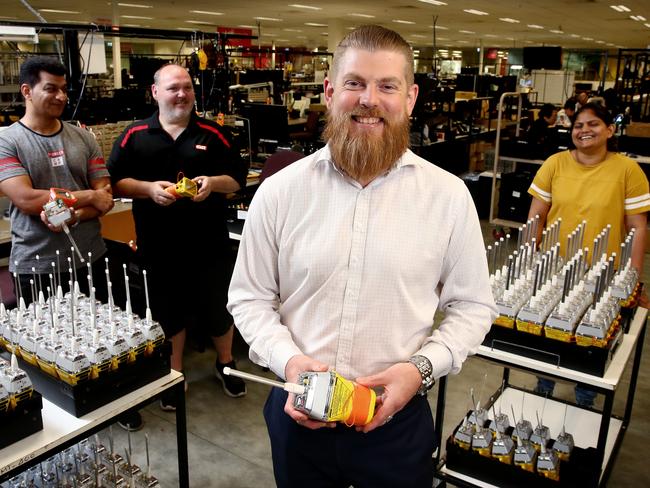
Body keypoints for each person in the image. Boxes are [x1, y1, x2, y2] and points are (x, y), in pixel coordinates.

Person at [228, 25, 497, 488]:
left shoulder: (448, 198)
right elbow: (249, 299)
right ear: (330, 92)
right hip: (299, 415)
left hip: (397, 427)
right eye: (354, 83)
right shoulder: (280, 192)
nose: (369, 99)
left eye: (387, 86)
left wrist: (421, 369)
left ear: (410, 98)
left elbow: (473, 307)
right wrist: (289, 362)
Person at [0, 57, 142, 431]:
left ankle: (115, 403)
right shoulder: (7, 141)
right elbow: (28, 200)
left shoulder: (84, 137)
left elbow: (106, 194)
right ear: (27, 91)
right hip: (36, 265)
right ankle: (57, 422)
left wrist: (74, 208)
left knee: (103, 341)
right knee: (44, 350)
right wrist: (87, 198)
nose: (61, 96)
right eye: (51, 88)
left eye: (65, 88)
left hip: (89, 258)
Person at [107, 63, 248, 410]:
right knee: (169, 312)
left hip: (208, 242)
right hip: (158, 244)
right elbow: (114, 182)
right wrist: (148, 189)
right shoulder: (134, 135)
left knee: (217, 307)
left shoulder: (213, 134)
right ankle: (175, 373)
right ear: (155, 93)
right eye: (173, 88)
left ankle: (226, 364)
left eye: (186, 87)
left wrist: (212, 183)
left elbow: (237, 180)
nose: (181, 94)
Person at [528, 102, 650, 406]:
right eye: (578, 125)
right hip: (555, 270)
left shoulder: (628, 171)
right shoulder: (555, 164)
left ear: (610, 130)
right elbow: (537, 217)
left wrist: (633, 279)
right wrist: (530, 259)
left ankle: (585, 398)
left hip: (603, 274)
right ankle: (544, 388)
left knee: (591, 341)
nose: (584, 130)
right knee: (548, 331)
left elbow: (637, 227)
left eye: (593, 124)